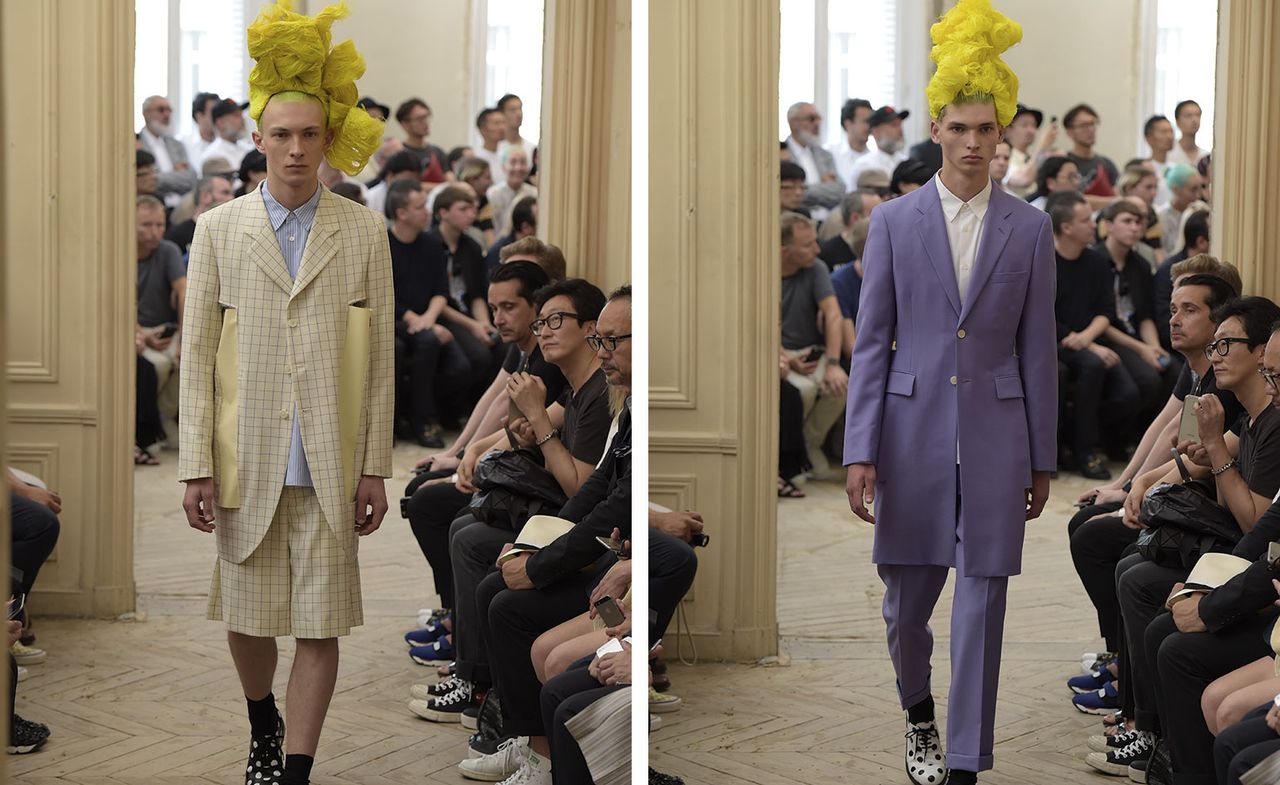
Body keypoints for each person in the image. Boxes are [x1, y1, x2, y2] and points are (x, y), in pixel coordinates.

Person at [177, 4, 392, 784]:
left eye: (310, 135)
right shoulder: (219, 229)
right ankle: (260, 716)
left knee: (321, 621)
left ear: (328, 139)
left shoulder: (363, 231)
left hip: (331, 454)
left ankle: (295, 766)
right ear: (260, 141)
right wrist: (194, 461)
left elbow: (380, 360)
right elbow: (198, 354)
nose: (297, 149)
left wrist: (375, 464)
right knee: (248, 614)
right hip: (246, 452)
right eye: (282, 135)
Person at [843, 3, 1056, 782]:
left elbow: (1039, 353)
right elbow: (870, 344)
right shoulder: (893, 223)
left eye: (987, 128)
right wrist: (860, 448)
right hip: (909, 432)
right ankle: (918, 709)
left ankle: (964, 758)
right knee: (905, 608)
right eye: (960, 127)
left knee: (984, 600)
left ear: (1002, 133)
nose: (974, 142)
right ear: (937, 127)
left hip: (1000, 439)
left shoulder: (1029, 229)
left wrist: (1043, 459)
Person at [1049, 191, 1140, 479]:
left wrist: (1087, 340)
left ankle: (1089, 445)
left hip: (1088, 340)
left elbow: (1106, 311)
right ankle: (1079, 450)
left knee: (1128, 392)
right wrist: (1080, 342)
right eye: (1086, 219)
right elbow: (1042, 313)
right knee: (1079, 367)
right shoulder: (1045, 261)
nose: (1094, 224)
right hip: (1052, 342)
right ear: (1067, 228)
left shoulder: (1096, 262)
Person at [784, 102, 843, 222]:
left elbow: (840, 190)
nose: (817, 124)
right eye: (811, 119)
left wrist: (805, 189)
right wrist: (823, 186)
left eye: (819, 119)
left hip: (828, 217)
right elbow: (786, 195)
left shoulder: (825, 155)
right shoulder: (781, 153)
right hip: (795, 216)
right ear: (793, 122)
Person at [139, 95, 198, 207]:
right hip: (151, 204)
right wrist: (175, 174)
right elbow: (144, 181)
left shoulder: (177, 145)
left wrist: (157, 177)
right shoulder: (136, 143)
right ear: (145, 113)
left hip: (181, 206)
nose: (166, 115)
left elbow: (191, 178)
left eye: (169, 110)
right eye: (161, 110)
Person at [1063, 103, 1120, 208]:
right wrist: (1110, 202)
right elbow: (1067, 200)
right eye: (1084, 126)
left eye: (1093, 124)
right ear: (1070, 132)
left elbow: (1118, 199)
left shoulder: (1106, 163)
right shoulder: (1063, 163)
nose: (1090, 129)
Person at [394, 98, 448, 183]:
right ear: (404, 124)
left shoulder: (437, 151)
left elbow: (448, 177)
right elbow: (404, 185)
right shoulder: (399, 154)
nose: (425, 122)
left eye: (426, 117)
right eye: (420, 119)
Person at [829, 98, 873, 191]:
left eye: (871, 122)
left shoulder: (874, 159)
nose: (870, 126)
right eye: (865, 121)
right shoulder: (829, 154)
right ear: (848, 124)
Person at [1167, 99, 1208, 168]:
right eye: (1188, 115)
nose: (1194, 120)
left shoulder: (1205, 156)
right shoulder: (1168, 153)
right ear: (1177, 121)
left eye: (1198, 115)